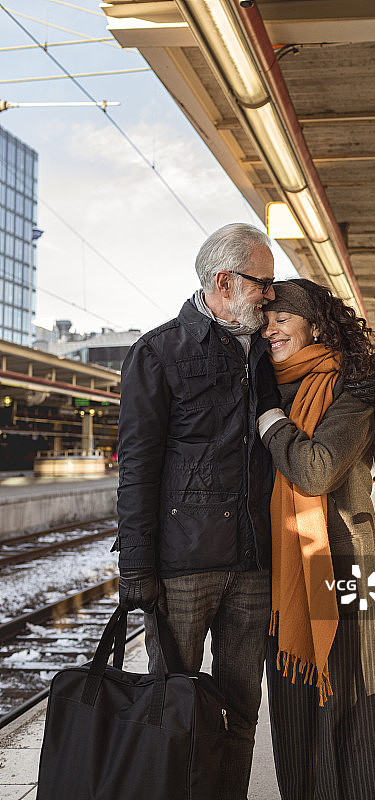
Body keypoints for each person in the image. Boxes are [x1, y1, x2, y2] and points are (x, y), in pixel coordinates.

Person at [115, 222, 280, 800]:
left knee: (242, 706)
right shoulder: (157, 353)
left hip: (253, 562)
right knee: (176, 706)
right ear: (224, 280)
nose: (270, 295)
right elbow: (137, 465)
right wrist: (135, 568)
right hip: (183, 565)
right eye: (263, 284)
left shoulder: (267, 351)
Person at [257, 278, 375, 800]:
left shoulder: (354, 385)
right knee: (292, 708)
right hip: (284, 566)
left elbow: (317, 470)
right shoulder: (264, 382)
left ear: (315, 323)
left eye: (282, 318)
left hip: (352, 562)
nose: (270, 329)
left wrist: (270, 422)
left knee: (355, 696)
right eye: (266, 319)